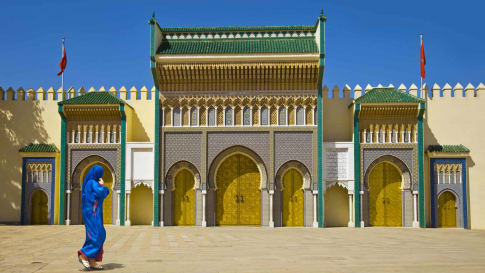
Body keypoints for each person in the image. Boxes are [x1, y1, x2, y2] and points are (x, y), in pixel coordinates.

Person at [77, 164, 109, 270]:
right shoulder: (92, 183)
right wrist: (103, 186)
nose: (101, 174)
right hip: (92, 213)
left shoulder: (90, 183)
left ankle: (92, 260)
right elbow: (102, 192)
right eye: (100, 172)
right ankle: (84, 254)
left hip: (93, 212)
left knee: (95, 234)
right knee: (98, 234)